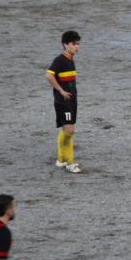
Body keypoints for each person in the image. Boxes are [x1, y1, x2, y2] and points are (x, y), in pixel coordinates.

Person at [47, 30, 82, 173]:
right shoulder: (60, 60)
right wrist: (61, 91)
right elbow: (49, 75)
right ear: (65, 44)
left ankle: (61, 159)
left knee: (67, 130)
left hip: (72, 101)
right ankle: (70, 162)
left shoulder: (70, 59)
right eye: (74, 44)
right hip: (63, 102)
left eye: (78, 44)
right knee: (69, 131)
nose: (77, 47)